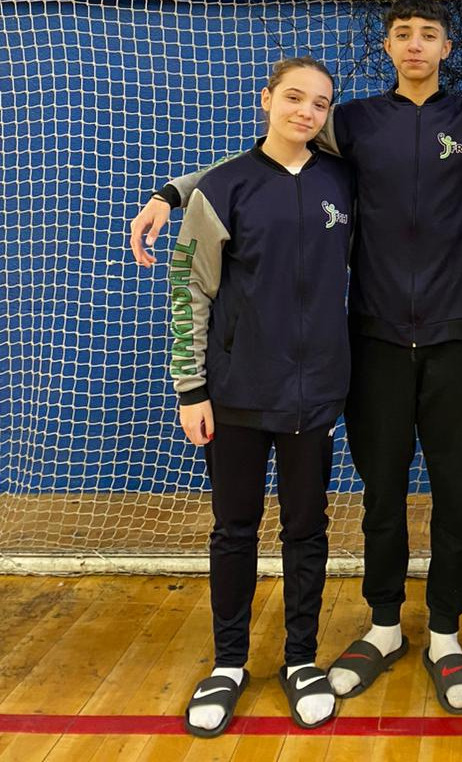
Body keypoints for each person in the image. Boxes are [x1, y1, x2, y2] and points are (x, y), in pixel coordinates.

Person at [135, 0, 462, 714]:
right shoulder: (351, 124)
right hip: (370, 341)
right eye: (402, 34)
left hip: (455, 337)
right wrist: (175, 189)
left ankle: (442, 632)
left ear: (445, 46)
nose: (414, 45)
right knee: (379, 495)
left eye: (428, 35)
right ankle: (380, 626)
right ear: (386, 46)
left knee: (454, 495)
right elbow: (267, 157)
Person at [172, 57, 352, 737]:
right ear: (266, 99)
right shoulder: (223, 188)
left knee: (306, 530)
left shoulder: (342, 182)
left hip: (314, 397)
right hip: (238, 393)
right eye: (294, 98)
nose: (306, 112)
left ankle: (301, 659)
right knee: (234, 529)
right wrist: (191, 386)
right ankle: (227, 663)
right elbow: (187, 289)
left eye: (320, 103)